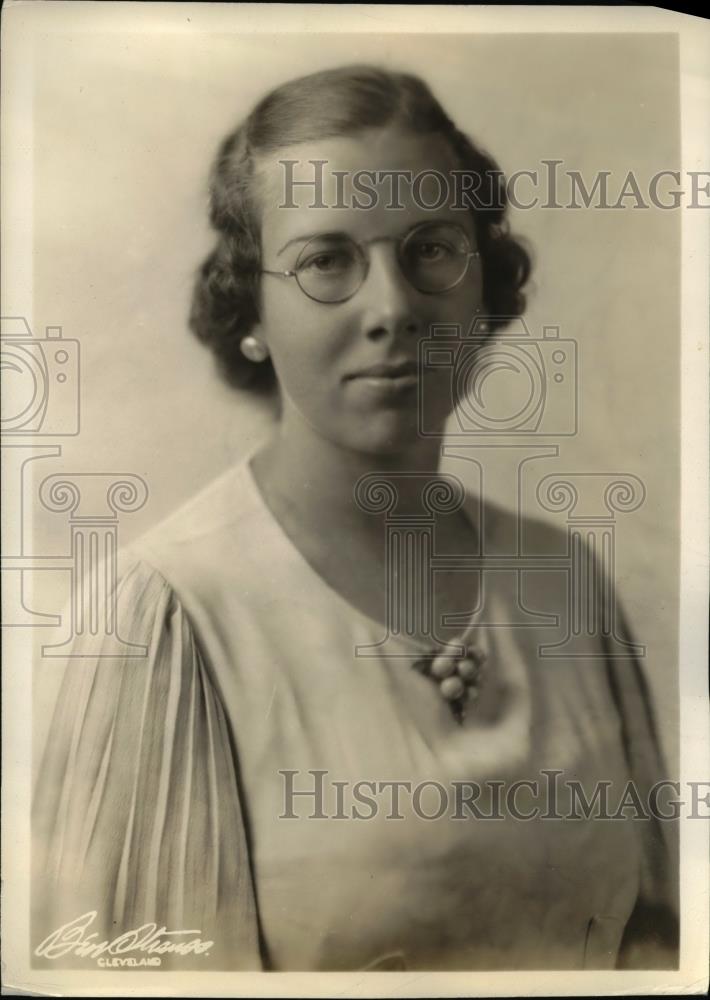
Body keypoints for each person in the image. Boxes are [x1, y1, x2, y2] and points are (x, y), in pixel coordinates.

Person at [32, 64, 678, 972]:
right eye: (326, 260)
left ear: (482, 290)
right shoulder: (167, 619)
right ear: (249, 307)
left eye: (431, 251)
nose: (392, 308)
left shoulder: (563, 581)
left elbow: (659, 950)